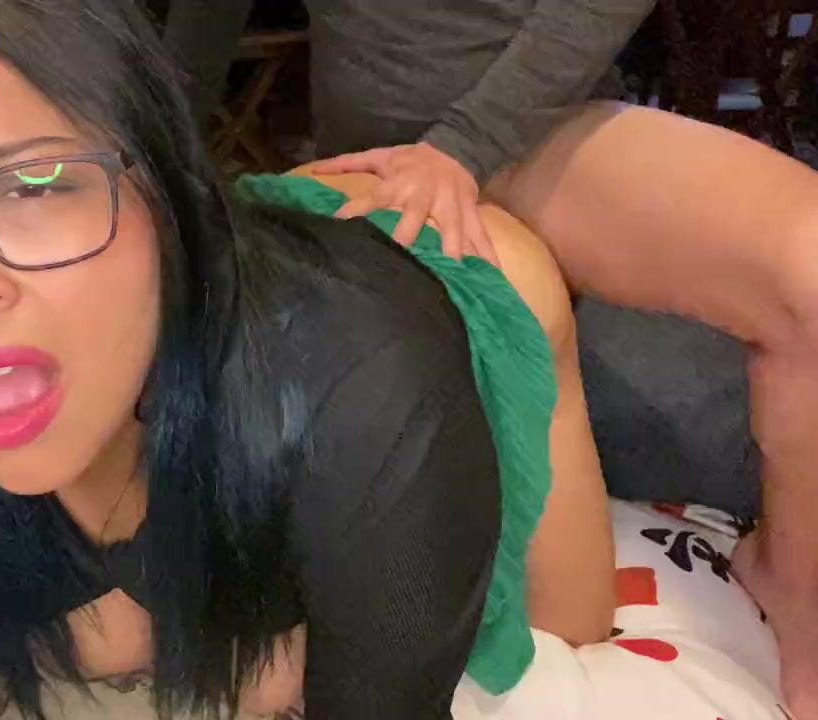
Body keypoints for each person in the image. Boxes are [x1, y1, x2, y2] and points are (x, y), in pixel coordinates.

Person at [0, 0, 614, 716]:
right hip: (215, 303)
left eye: (34, 184)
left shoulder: (367, 383)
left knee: (558, 639)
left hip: (443, 273)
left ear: (164, 187)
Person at [166, 2, 818, 715]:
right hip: (381, 155)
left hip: (543, 126)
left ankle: (789, 579)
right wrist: (163, 168)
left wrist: (466, 145)